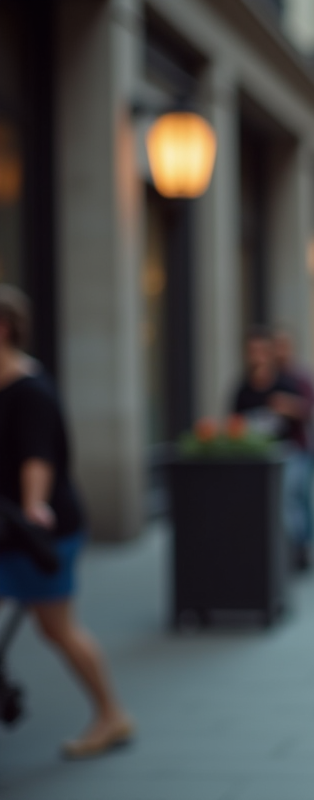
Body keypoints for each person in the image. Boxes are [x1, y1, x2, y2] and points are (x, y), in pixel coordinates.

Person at [0, 285, 133, 758]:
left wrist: (36, 506)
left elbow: (38, 458)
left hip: (39, 531)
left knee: (57, 628)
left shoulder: (30, 390)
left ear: (4, 329)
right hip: (10, 531)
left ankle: (111, 714)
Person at [230, 328, 310, 568]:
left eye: (262, 351)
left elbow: (307, 413)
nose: (257, 357)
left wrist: (289, 407)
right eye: (252, 352)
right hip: (255, 459)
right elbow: (234, 423)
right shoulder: (243, 389)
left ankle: (296, 550)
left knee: (286, 503)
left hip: (288, 454)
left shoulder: (285, 384)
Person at [274, 330, 314, 571]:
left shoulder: (300, 378)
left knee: (299, 499)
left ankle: (304, 546)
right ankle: (296, 546)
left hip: (301, 448)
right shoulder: (269, 377)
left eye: (284, 346)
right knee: (292, 501)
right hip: (276, 451)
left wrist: (288, 407)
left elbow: (313, 409)